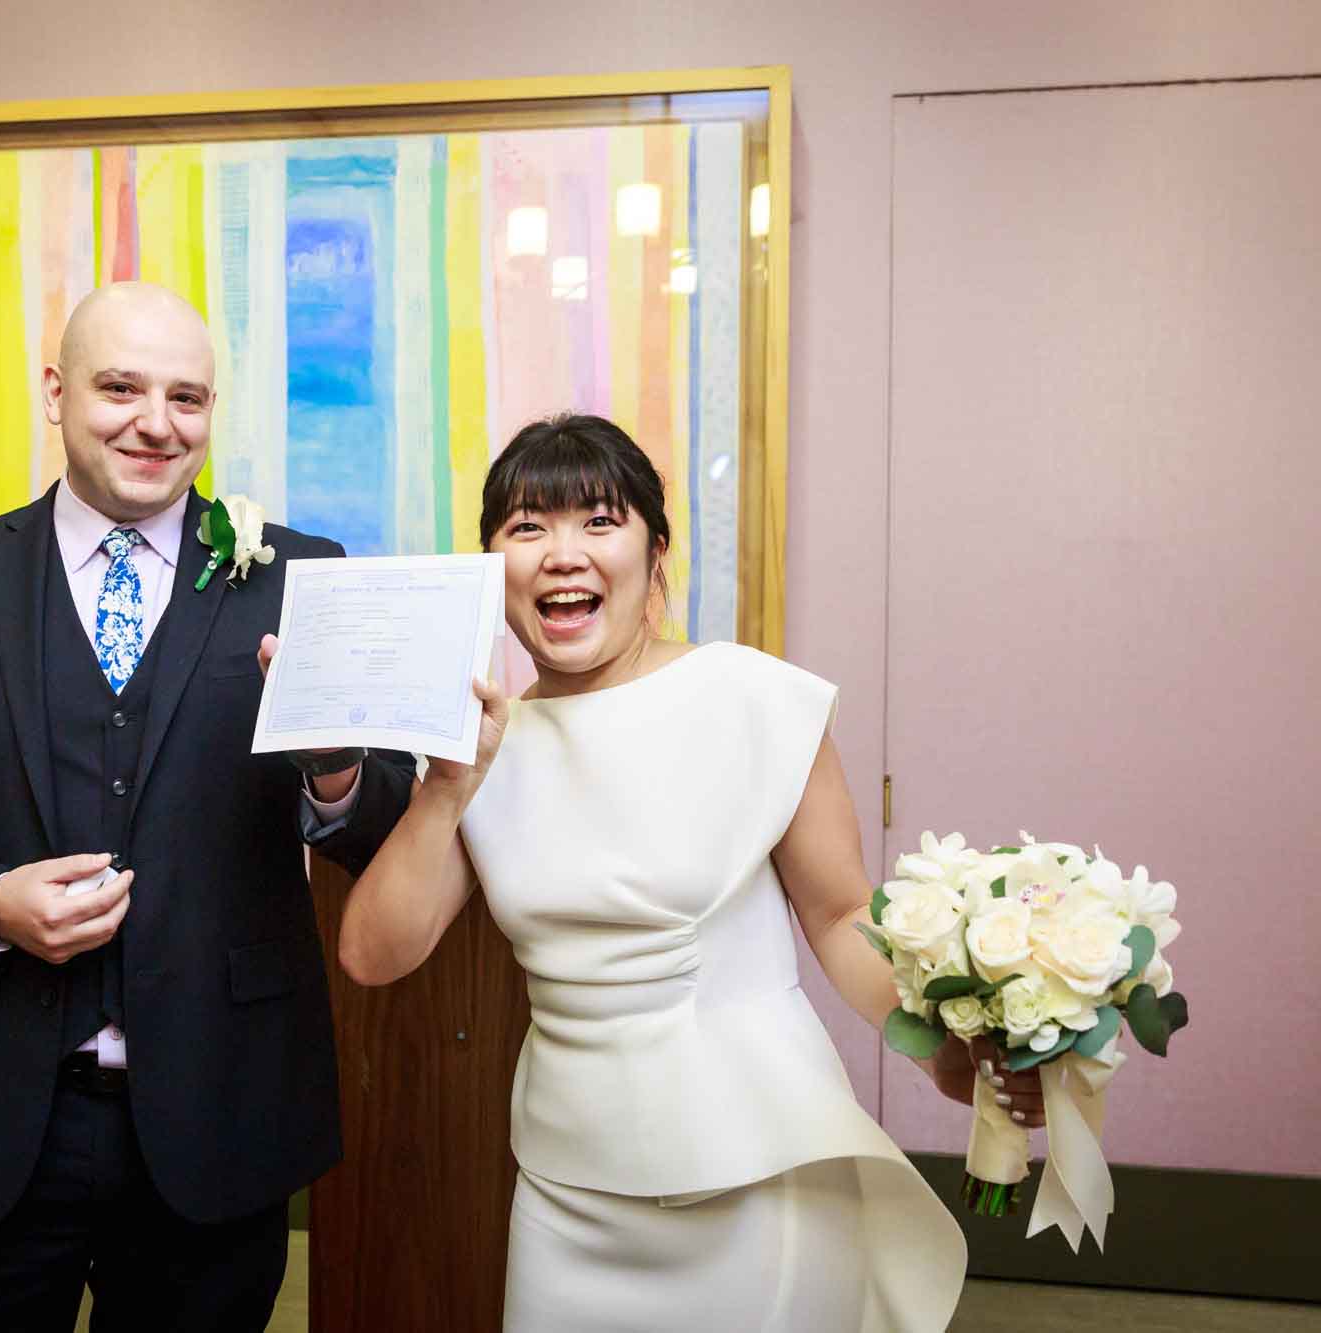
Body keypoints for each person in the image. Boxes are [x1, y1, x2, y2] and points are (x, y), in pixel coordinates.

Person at [334, 414, 1044, 1330]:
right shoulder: (485, 749)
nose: (562, 553)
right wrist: (444, 791)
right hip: (566, 1191)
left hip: (758, 1170)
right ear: (490, 569)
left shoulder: (753, 696)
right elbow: (372, 955)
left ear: (655, 552)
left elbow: (840, 916)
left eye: (600, 521)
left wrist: (947, 1054)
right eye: (527, 527)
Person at [0, 282, 412, 1331]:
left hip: (216, 1111)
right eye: (120, 387)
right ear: (56, 393)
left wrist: (334, 769)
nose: (155, 423)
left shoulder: (302, 577)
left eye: (186, 397)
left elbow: (389, 823)